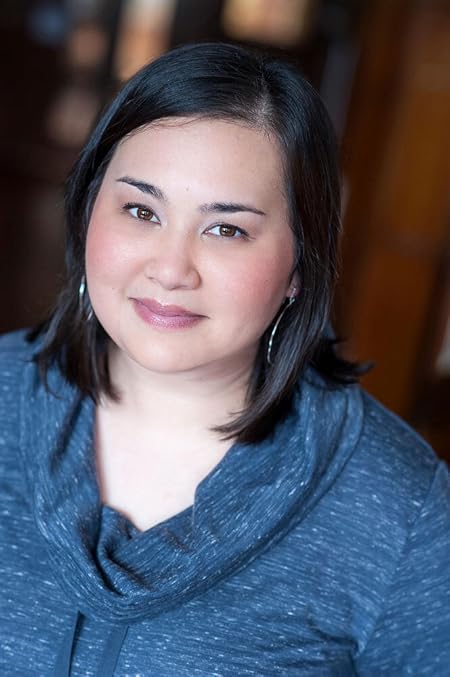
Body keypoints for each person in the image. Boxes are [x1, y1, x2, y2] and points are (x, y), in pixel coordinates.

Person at [1, 42, 449, 676]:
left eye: (226, 229)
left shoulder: (401, 509)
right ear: (85, 214)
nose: (170, 269)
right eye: (141, 211)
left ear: (299, 265)